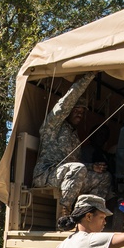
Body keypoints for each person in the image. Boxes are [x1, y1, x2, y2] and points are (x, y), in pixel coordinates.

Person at [32, 72, 99, 214]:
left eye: (82, 112)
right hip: (46, 175)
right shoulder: (53, 126)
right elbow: (65, 104)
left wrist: (93, 167)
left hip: (67, 174)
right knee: (77, 169)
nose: (79, 114)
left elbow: (74, 165)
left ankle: (87, 214)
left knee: (104, 178)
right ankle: (64, 214)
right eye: (76, 110)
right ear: (68, 111)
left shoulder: (74, 136)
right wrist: (88, 77)